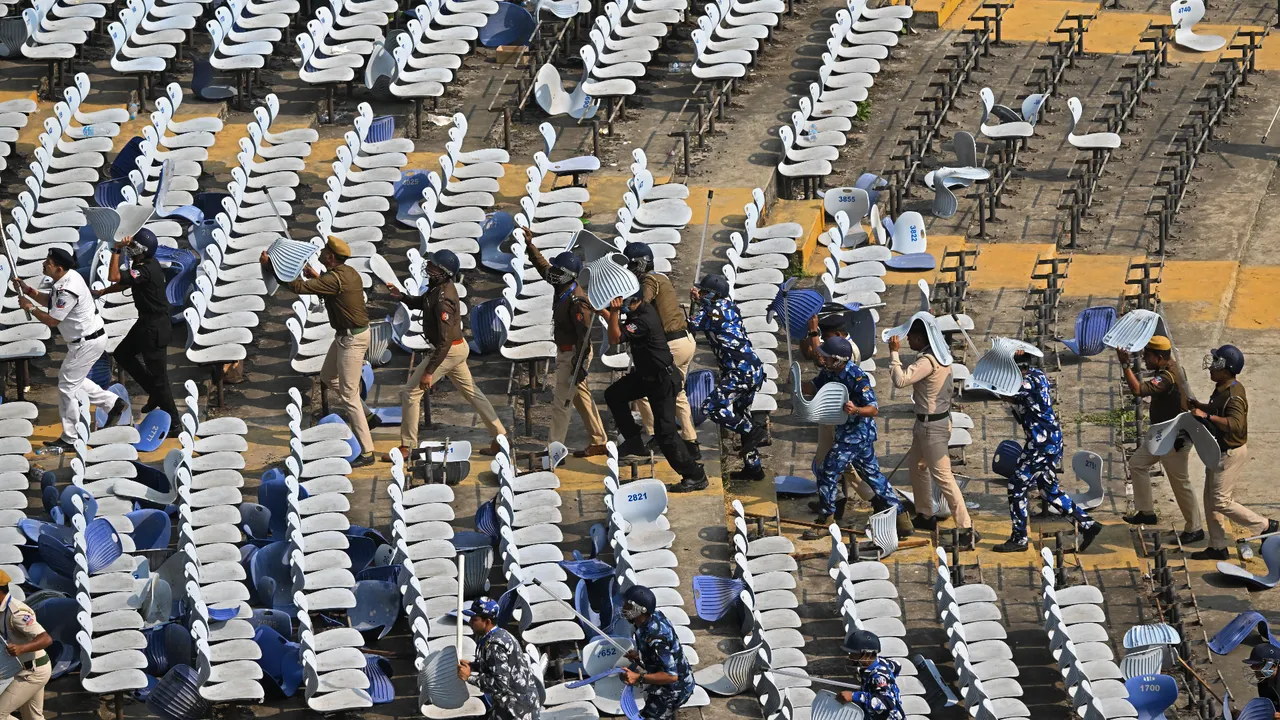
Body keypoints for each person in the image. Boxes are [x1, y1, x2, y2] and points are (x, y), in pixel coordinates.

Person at [262, 236, 376, 467]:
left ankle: (367, 451)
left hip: (350, 339)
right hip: (348, 335)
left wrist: (272, 266)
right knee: (327, 376)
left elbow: (298, 287)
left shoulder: (334, 280)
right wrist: (313, 273)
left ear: (331, 258)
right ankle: (369, 416)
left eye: (325, 251)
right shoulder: (347, 273)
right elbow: (329, 286)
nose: (322, 252)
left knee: (349, 395)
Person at [388, 250, 505, 459]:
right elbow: (422, 303)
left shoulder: (443, 300)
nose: (428, 268)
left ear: (443, 273)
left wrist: (429, 372)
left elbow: (444, 341)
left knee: (410, 393)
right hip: (455, 349)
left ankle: (408, 446)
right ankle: (501, 437)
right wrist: (403, 297)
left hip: (448, 351)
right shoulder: (438, 288)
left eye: (433, 266)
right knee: (472, 393)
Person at [15, 247, 125, 451]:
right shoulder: (67, 278)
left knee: (67, 387)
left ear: (58, 268)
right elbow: (50, 301)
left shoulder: (68, 289)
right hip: (88, 338)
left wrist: (29, 308)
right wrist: (29, 291)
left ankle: (71, 437)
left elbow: (53, 320)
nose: (44, 263)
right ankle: (113, 403)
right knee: (74, 381)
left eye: (48, 262)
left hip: (86, 342)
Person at [802, 336, 910, 539]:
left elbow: (873, 409)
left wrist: (856, 409)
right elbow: (815, 386)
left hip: (857, 434)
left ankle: (825, 520)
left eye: (826, 356)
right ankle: (902, 519)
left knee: (827, 471)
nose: (822, 358)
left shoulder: (857, 377)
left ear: (838, 359)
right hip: (847, 433)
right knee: (873, 476)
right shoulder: (829, 371)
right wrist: (797, 383)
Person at [996, 357, 1103, 553]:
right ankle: (1088, 524)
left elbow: (1010, 392)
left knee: (1016, 486)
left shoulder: (1028, 382)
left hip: (1041, 445)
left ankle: (1019, 538)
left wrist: (995, 386)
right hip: (1047, 442)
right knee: (1048, 490)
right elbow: (1013, 396)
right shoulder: (1037, 376)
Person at [603, 293, 708, 492]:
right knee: (614, 394)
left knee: (665, 433)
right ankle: (634, 442)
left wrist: (614, 311)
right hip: (646, 377)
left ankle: (695, 475)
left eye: (623, 303)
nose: (622, 308)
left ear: (633, 301)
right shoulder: (640, 310)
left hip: (662, 381)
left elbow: (615, 338)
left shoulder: (644, 319)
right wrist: (603, 310)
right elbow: (621, 330)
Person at [888, 320, 974, 544]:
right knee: (916, 465)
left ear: (921, 339)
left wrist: (894, 355)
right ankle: (926, 513)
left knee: (943, 477)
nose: (907, 340)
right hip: (931, 422)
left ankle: (966, 528)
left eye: (911, 337)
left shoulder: (928, 361)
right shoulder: (942, 355)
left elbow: (901, 380)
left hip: (931, 428)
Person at [1189, 345, 1278, 560]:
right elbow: (1218, 409)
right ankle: (1217, 546)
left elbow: (1235, 424)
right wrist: (1201, 406)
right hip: (1216, 450)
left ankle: (1266, 526)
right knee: (1210, 500)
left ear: (1227, 369)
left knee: (1221, 501)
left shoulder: (1234, 395)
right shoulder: (1223, 387)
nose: (1211, 367)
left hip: (1229, 453)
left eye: (1216, 363)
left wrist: (1206, 417)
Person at [90, 229, 180, 432]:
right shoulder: (143, 265)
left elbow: (114, 276)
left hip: (155, 327)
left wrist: (115, 249)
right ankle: (154, 392)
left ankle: (175, 422)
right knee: (123, 353)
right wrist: (103, 291)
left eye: (132, 246)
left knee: (160, 378)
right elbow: (124, 281)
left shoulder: (146, 268)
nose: (129, 249)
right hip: (145, 323)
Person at [1117, 336, 1202, 542]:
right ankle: (1146, 512)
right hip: (1160, 433)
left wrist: (1125, 364)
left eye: (1148, 355)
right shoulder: (1170, 367)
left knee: (1180, 483)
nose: (1145, 359)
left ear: (1160, 357)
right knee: (1137, 464)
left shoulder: (1167, 377)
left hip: (1174, 438)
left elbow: (1138, 390)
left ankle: (1195, 528)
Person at [526, 243, 608, 457]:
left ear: (568, 275)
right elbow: (543, 267)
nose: (552, 273)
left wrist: (578, 366)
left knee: (560, 404)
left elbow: (585, 338)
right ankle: (599, 440)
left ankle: (553, 450)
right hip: (566, 352)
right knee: (581, 397)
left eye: (557, 270)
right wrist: (530, 246)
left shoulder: (577, 302)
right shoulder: (561, 285)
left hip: (574, 354)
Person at [623, 243, 700, 459]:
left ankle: (654, 434)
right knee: (678, 392)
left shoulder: (649, 280)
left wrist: (623, 308)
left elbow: (642, 305)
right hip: (686, 341)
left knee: (644, 391)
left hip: (671, 345)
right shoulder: (662, 277)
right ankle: (690, 440)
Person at [689, 274, 766, 481]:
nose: (701, 294)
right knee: (741, 413)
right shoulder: (727, 305)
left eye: (704, 292)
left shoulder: (712, 312)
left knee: (711, 408)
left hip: (739, 372)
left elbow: (690, 325)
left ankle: (753, 431)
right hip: (752, 369)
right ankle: (754, 468)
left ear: (714, 295)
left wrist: (696, 303)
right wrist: (700, 301)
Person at [804, 312, 875, 517]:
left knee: (843, 467)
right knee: (823, 461)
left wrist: (812, 332)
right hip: (831, 414)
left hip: (845, 420)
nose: (824, 344)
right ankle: (833, 499)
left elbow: (819, 359)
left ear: (837, 335)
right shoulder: (837, 349)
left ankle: (873, 498)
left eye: (826, 338)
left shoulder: (846, 351)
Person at [457, 597, 540, 720]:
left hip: (517, 710)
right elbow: (498, 666)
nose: (470, 622)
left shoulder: (494, 645)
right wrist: (474, 666)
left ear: (487, 621)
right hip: (519, 702)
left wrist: (469, 677)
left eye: (474, 619)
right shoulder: (501, 634)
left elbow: (500, 685)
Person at [619, 585, 694, 720]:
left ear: (640, 610)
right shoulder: (651, 619)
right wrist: (640, 656)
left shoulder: (655, 637)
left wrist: (638, 677)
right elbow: (656, 655)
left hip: (673, 689)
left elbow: (671, 676)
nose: (624, 607)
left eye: (628, 605)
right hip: (667, 683)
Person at [0, 568, 53, 720]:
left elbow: (46, 639)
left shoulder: (17, 613)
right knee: (32, 717)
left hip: (33, 671)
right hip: (23, 668)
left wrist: (22, 648)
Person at [835, 629, 905, 720]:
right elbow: (897, 665)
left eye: (854, 654)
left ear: (867, 655)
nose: (850, 657)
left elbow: (887, 702)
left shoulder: (878, 677)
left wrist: (854, 696)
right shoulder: (880, 662)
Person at [1245, 643, 1280, 708]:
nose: (1253, 669)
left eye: (1257, 665)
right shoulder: (1263, 682)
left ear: (1273, 665)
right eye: (1253, 665)